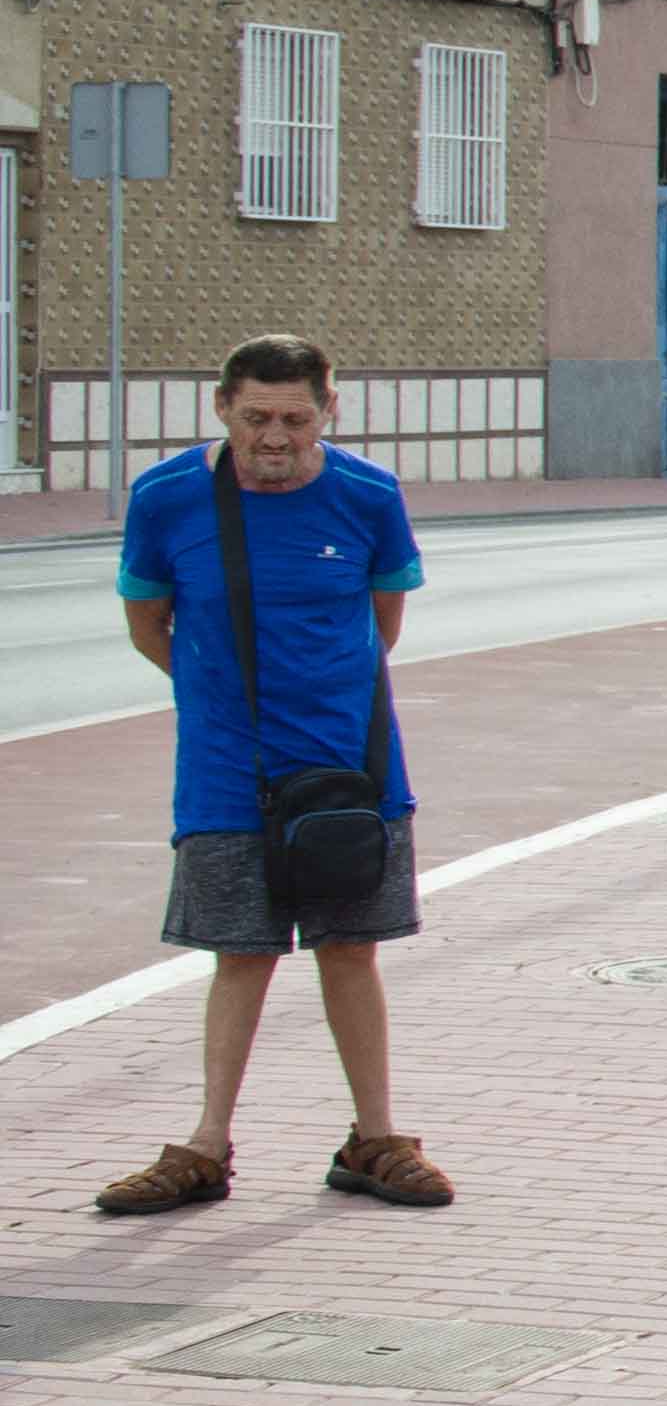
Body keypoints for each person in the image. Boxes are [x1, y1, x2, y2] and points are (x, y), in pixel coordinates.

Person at [93, 339, 439, 1219]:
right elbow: (148, 626)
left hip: (351, 775)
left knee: (351, 950)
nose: (274, 437)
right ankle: (207, 1144)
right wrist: (223, 705)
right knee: (239, 954)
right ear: (221, 410)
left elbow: (380, 628)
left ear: (330, 409)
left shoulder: (368, 497)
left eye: (294, 417)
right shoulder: (168, 498)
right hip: (223, 776)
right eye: (256, 418)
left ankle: (376, 1138)